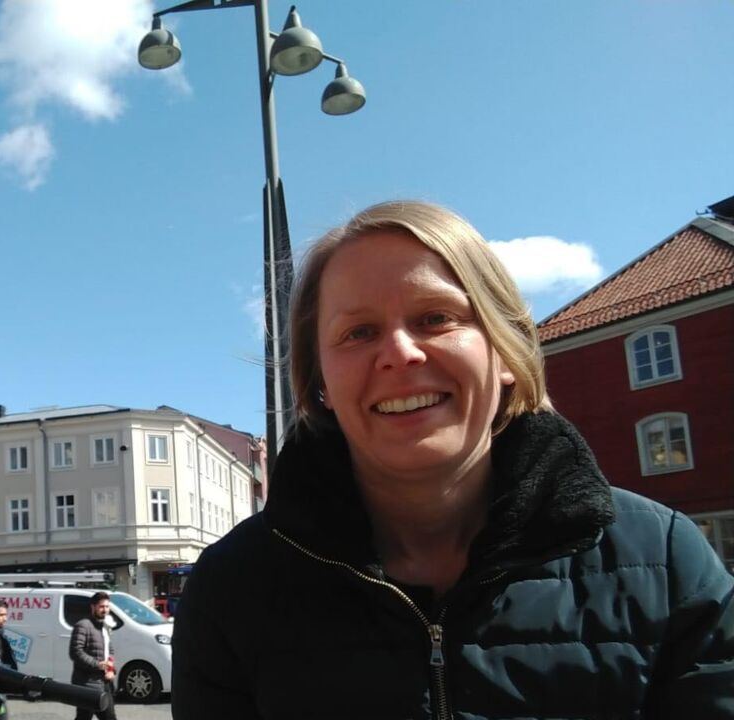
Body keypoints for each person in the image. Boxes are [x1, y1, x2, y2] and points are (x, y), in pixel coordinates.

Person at [171, 200, 734, 718]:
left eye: (437, 318)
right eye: (359, 331)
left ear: (506, 351)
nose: (399, 353)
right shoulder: (231, 590)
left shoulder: (666, 561)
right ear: (319, 383)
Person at [69, 592, 118, 720]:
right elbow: (75, 652)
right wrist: (98, 665)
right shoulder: (83, 625)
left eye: (107, 607)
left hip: (104, 684)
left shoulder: (104, 627)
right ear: (93, 607)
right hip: (87, 685)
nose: (105, 610)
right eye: (101, 607)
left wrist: (111, 669)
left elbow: (110, 651)